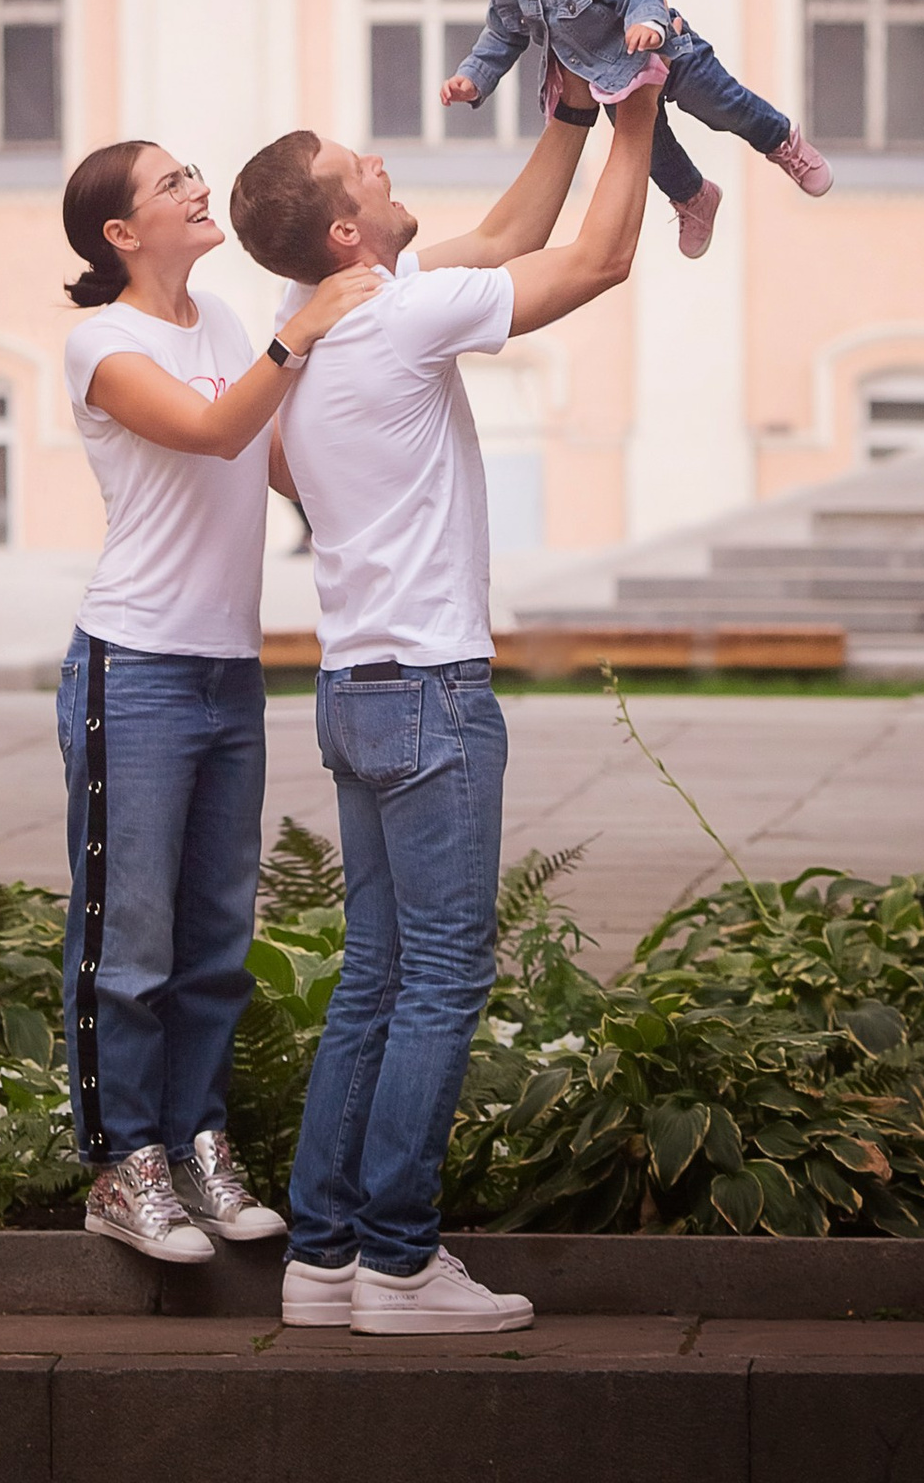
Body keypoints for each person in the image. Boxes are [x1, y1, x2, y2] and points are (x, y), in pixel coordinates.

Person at [227, 92, 659, 1336]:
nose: (377, 160)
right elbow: (593, 259)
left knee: (375, 978)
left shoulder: (311, 321)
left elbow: (506, 231)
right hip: (429, 694)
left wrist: (573, 113)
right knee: (441, 982)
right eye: (357, 167)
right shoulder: (401, 318)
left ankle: (323, 1260)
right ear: (350, 233)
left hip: (354, 691)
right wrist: (638, 123)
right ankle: (402, 1267)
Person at [54, 133, 384, 1260]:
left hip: (225, 666)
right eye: (170, 184)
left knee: (214, 942)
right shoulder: (100, 342)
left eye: (192, 174)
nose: (198, 189)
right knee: (130, 939)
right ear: (120, 232)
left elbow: (276, 454)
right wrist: (305, 328)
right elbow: (209, 429)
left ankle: (197, 1142)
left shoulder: (233, 327)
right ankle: (121, 1163)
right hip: (133, 665)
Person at [441, 0, 832, 258]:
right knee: (652, 154)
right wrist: (473, 78)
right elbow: (501, 36)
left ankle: (780, 140)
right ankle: (694, 197)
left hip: (665, 50)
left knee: (722, 106)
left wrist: (645, 23)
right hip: (612, 76)